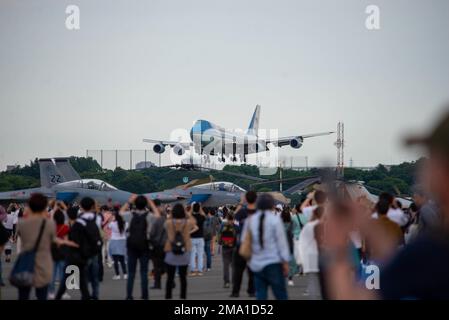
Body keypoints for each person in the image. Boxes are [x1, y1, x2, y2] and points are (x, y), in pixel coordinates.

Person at [324, 108, 449, 299]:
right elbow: (402, 266)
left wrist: (337, 249)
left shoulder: (435, 250)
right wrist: (367, 225)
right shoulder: (430, 249)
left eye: (431, 158)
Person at [17, 194, 76, 300]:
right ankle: (52, 293)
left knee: (25, 288)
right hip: (44, 257)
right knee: (46, 281)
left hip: (26, 257)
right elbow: (53, 236)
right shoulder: (48, 224)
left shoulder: (22, 223)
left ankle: (39, 294)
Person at [242, 193, 290, 300]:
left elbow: (244, 241)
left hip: (256, 263)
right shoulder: (275, 220)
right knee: (280, 293)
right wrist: (285, 262)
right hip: (273, 262)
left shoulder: (249, 220)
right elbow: (282, 244)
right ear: (272, 205)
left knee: (260, 293)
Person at [120, 194, 159, 300]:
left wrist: (129, 202)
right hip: (144, 246)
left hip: (132, 246)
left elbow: (120, 213)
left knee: (131, 273)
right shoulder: (149, 216)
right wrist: (151, 202)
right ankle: (144, 295)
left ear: (135, 204)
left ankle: (129, 295)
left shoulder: (131, 215)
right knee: (143, 272)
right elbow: (158, 216)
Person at [164, 203, 197, 299]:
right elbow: (194, 221)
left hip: (171, 250)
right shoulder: (187, 223)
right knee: (183, 278)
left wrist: (171, 213)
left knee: (170, 278)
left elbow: (167, 221)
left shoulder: (169, 223)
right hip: (184, 250)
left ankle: (168, 296)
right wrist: (186, 212)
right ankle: (183, 297)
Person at [231, 191, 257, 298]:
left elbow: (235, 223)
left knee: (238, 270)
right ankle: (251, 291)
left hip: (242, 244)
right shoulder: (259, 212)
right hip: (255, 246)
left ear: (246, 199)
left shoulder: (241, 213)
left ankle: (235, 291)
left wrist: (241, 203)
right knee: (253, 270)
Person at [298, 206, 324, 299]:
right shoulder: (327, 225)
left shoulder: (308, 226)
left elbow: (301, 242)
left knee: (312, 282)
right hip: (325, 256)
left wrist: (301, 258)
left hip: (310, 255)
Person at [48, 209, 70, 299]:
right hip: (63, 252)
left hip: (52, 252)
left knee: (52, 274)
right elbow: (66, 241)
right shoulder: (65, 227)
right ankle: (63, 293)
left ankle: (51, 292)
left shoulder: (50, 227)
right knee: (63, 274)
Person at [149, 201, 168, 289]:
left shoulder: (154, 221)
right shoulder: (166, 220)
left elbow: (151, 233)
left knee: (156, 266)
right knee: (166, 264)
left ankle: (157, 284)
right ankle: (171, 282)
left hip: (156, 245)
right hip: (166, 245)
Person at [218, 212, 237, 288]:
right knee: (234, 265)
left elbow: (219, 237)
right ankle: (234, 281)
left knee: (226, 266)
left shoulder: (223, 226)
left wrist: (220, 242)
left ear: (227, 218)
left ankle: (226, 282)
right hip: (234, 247)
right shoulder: (235, 227)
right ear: (233, 219)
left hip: (225, 248)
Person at [108, 211, 127, 280]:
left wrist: (111, 219)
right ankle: (125, 274)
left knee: (115, 260)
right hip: (122, 241)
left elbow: (108, 227)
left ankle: (117, 275)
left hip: (114, 241)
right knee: (122, 259)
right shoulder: (125, 223)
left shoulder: (112, 223)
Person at [281, 208, 298, 286]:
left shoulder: (279, 223)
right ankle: (290, 279)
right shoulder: (292, 223)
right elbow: (296, 231)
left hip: (281, 245)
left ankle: (282, 278)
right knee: (291, 263)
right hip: (290, 244)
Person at [189, 202, 206, 276]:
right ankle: (200, 270)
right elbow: (204, 215)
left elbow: (188, 214)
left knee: (192, 255)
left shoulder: (191, 217)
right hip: (200, 237)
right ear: (199, 209)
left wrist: (191, 208)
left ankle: (192, 270)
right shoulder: (202, 217)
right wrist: (200, 208)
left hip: (192, 237)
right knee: (200, 254)